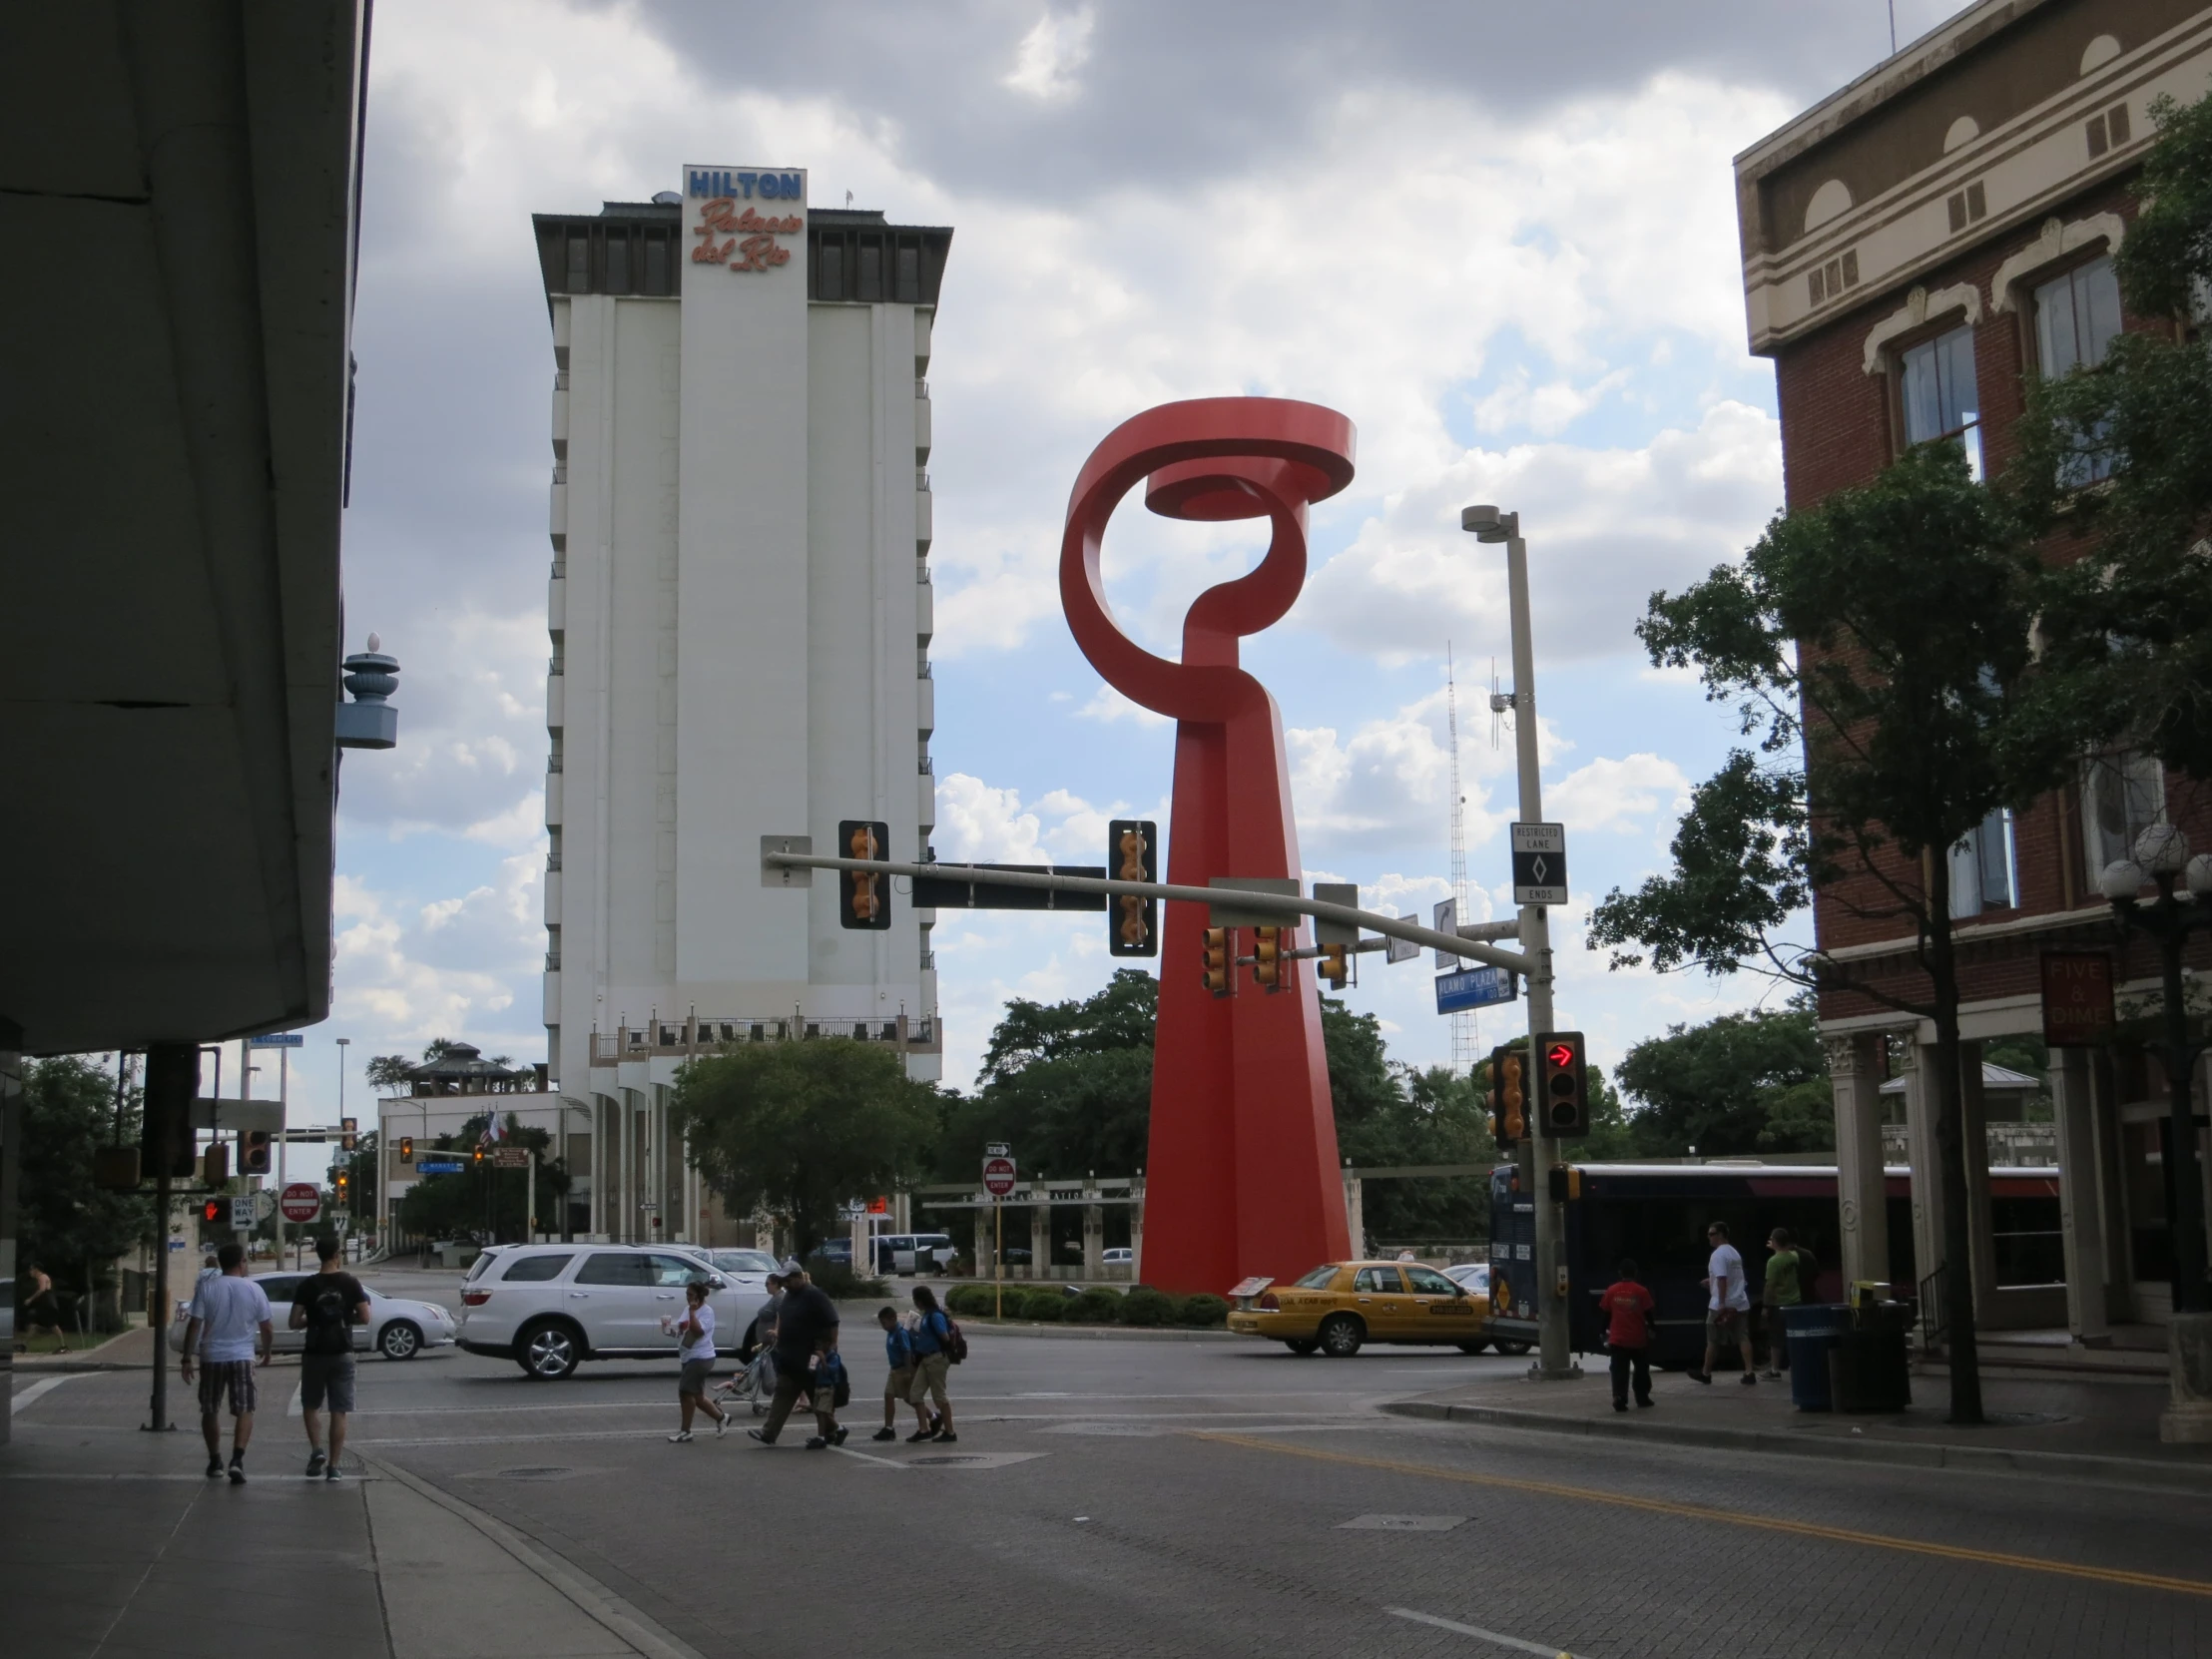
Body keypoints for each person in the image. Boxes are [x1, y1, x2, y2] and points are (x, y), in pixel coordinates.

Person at [180, 1243, 274, 1482]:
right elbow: (266, 1326)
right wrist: (267, 1350)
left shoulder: (207, 1288)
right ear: (242, 1261)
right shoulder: (254, 1289)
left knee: (210, 1408)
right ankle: (237, 1459)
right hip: (242, 1356)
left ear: (220, 1263)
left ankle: (215, 1460)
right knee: (246, 1408)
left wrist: (187, 1357)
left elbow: (194, 1324)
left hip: (212, 1356)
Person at [289, 1235, 369, 1480]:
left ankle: (316, 1450)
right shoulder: (350, 1282)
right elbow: (365, 1317)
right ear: (337, 1254)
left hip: (314, 1352)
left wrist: (312, 1320)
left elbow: (294, 1322)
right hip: (342, 1351)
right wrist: (344, 1317)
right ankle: (334, 1466)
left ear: (318, 1253)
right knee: (339, 1410)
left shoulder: (307, 1285)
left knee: (311, 1405)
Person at [748, 1261, 844, 1448]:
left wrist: (831, 1347)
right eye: (783, 1280)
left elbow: (833, 1321)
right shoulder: (789, 1296)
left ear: (799, 1277)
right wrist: (778, 1335)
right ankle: (769, 1433)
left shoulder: (814, 1295)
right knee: (783, 1393)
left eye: (789, 1280)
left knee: (817, 1400)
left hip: (810, 1356)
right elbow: (782, 1318)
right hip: (790, 1357)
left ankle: (831, 1431)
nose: (785, 1284)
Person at [1689, 1221, 1755, 1385]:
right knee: (1743, 1337)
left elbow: (1722, 1279)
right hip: (1740, 1302)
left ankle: (1706, 1373)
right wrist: (1710, 1281)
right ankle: (1749, 1372)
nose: (1708, 1237)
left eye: (1711, 1234)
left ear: (1719, 1235)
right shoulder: (1734, 1253)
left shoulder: (1717, 1255)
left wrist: (1721, 1303)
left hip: (1721, 1304)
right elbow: (1734, 1277)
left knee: (1712, 1340)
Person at [1598, 1259, 1656, 1411]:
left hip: (1618, 1339)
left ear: (1619, 1273)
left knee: (1619, 1370)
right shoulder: (1641, 1291)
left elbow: (1606, 1314)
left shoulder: (1611, 1290)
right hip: (1638, 1339)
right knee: (1641, 1370)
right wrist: (1653, 1329)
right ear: (1636, 1273)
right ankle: (1642, 1398)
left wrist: (1602, 1332)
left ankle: (1619, 1397)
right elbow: (1649, 1314)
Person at [906, 1284, 956, 1443]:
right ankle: (924, 1429)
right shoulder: (926, 1316)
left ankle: (950, 1432)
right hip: (925, 1359)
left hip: (936, 1358)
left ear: (921, 1301)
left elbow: (945, 1337)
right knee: (915, 1394)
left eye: (916, 1300)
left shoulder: (935, 1316)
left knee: (939, 1397)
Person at [1760, 1227, 1803, 1381]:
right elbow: (1786, 1252)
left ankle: (1774, 1369)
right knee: (1793, 1336)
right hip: (1795, 1302)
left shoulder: (1773, 1262)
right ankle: (1796, 1366)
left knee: (1776, 1339)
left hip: (1779, 1303)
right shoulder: (1794, 1256)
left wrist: (1766, 1306)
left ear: (1776, 1241)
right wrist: (1777, 1248)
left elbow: (1770, 1285)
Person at [874, 1306, 916, 1442]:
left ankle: (933, 1416)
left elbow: (907, 1351)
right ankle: (889, 1428)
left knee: (910, 1398)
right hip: (893, 1370)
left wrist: (909, 1372)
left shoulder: (900, 1333)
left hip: (902, 1370)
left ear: (893, 1319)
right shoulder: (891, 1333)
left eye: (884, 1323)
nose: (883, 1326)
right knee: (888, 1395)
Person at [21, 1265, 67, 1351]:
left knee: (53, 1326)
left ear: (36, 1270)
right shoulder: (43, 1277)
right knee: (34, 1323)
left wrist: (30, 1299)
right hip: (45, 1306)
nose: (30, 1272)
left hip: (47, 1306)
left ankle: (63, 1346)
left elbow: (42, 1290)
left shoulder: (42, 1277)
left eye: (31, 1270)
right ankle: (23, 1345)